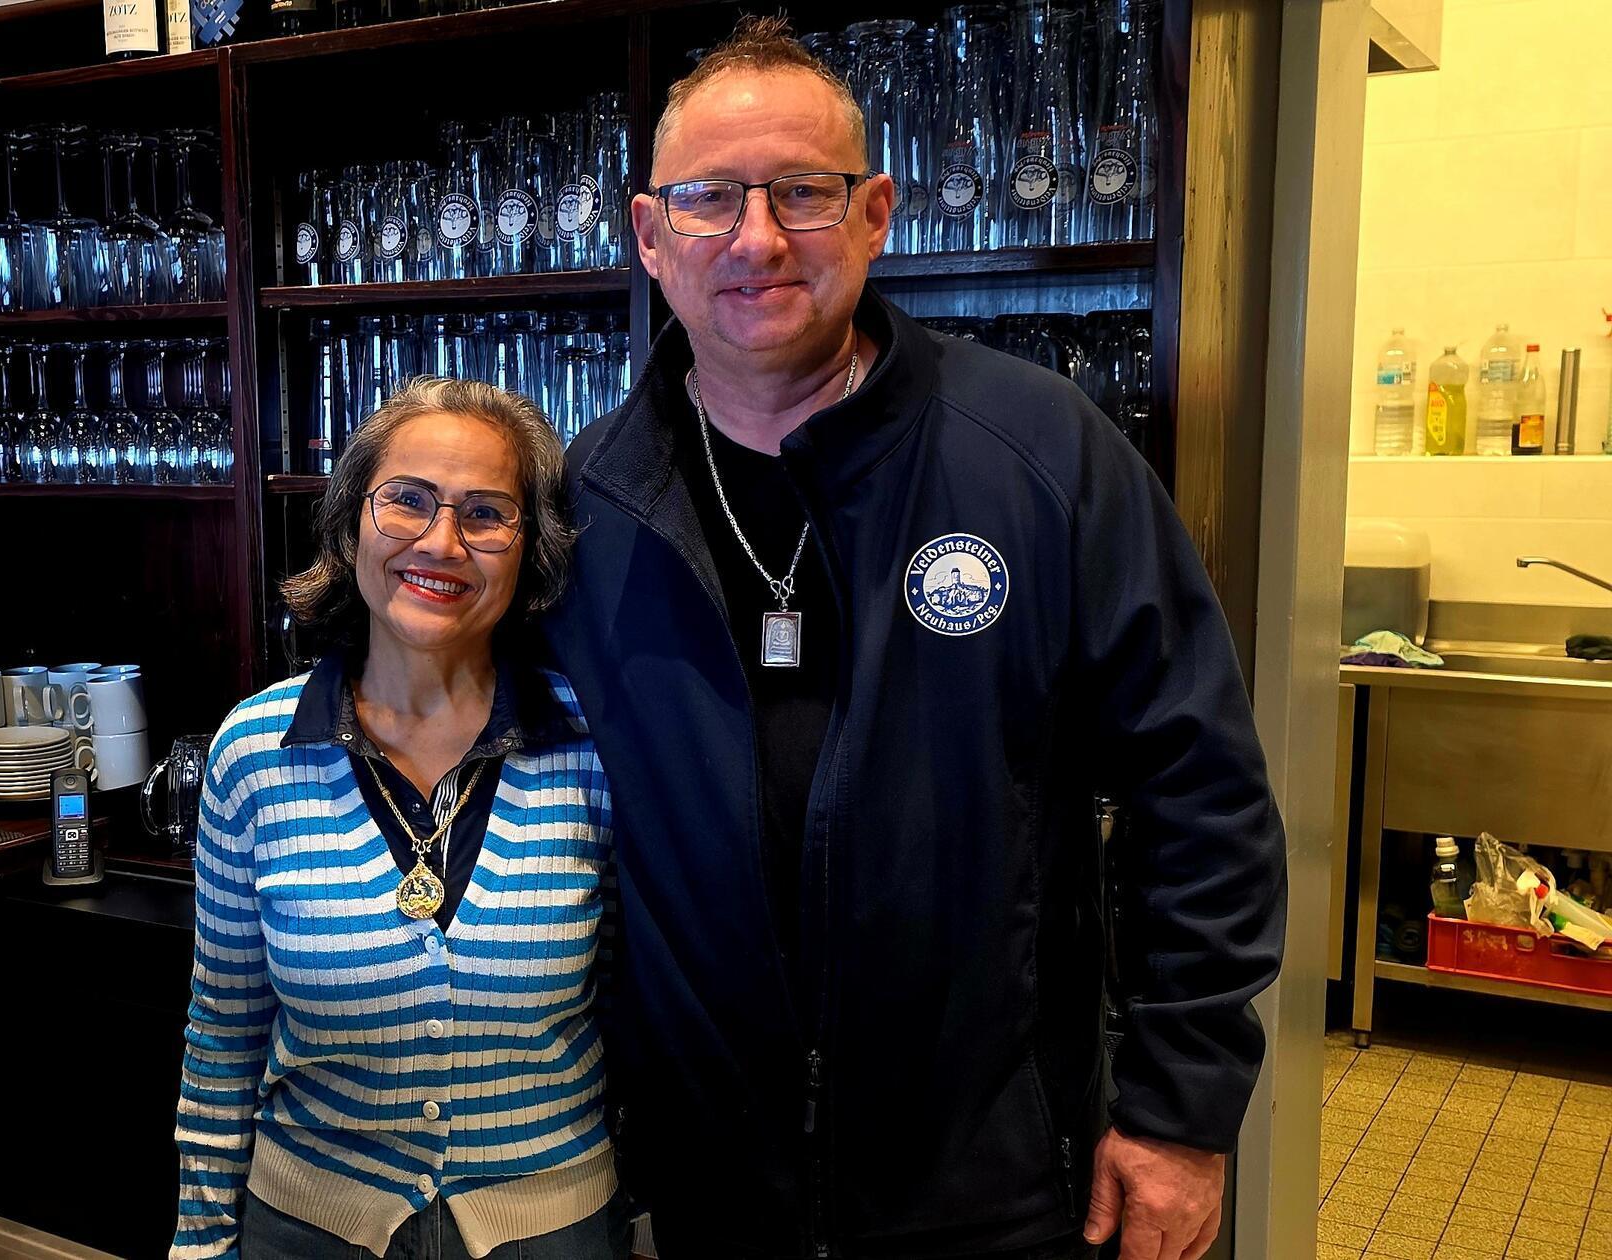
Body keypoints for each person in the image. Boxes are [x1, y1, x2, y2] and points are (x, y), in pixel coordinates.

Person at [542, 17, 1288, 1260]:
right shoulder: (591, 501)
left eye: (803, 193)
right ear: (647, 234)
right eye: (710, 198)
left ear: (877, 213)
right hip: (712, 1185)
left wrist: (1179, 1114)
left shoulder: (1037, 452)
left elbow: (1199, 791)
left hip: (990, 1173)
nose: (757, 238)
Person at [171, 378, 628, 1260]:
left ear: (531, 553)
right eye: (407, 502)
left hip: (554, 1234)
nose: (442, 541)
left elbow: (628, 1008)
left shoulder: (592, 745)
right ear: (350, 528)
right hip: (306, 1232)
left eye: (487, 514)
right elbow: (223, 1033)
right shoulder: (255, 753)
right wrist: (202, 1239)